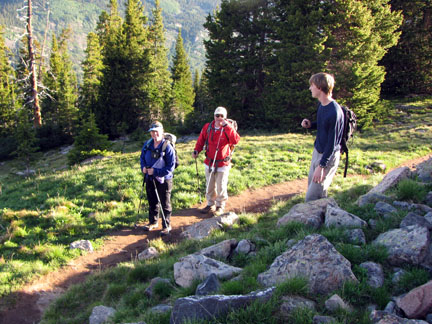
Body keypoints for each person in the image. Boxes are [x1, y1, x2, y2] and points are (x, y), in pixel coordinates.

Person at [301, 72, 344, 202]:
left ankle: (319, 219)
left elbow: (332, 143)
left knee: (312, 198)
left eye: (312, 85)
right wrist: (310, 126)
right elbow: (323, 126)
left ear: (319, 87)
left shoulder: (334, 112)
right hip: (317, 152)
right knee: (315, 192)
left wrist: (322, 166)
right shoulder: (322, 105)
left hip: (327, 157)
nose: (310, 88)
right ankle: (324, 218)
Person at [192, 106, 240, 216]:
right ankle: (210, 204)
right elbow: (201, 140)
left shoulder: (228, 128)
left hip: (223, 163)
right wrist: (196, 150)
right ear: (214, 116)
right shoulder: (208, 127)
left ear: (225, 117)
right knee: (209, 185)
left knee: (221, 186)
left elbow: (236, 140)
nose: (219, 118)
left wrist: (227, 127)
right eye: (217, 115)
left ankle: (220, 206)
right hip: (209, 162)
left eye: (221, 116)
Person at [139, 121, 176, 236]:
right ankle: (153, 222)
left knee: (165, 202)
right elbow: (142, 158)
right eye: (152, 132)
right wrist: (143, 168)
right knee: (152, 201)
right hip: (150, 177)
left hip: (164, 179)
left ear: (162, 132)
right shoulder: (147, 144)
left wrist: (156, 171)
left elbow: (171, 167)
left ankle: (166, 225)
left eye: (157, 132)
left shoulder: (167, 147)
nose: (154, 134)